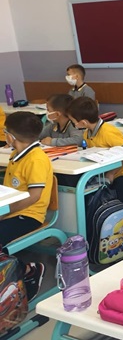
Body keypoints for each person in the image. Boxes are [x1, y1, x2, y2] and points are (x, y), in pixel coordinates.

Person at [67, 97, 123, 240]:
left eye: (73, 121)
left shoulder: (108, 132)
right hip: (105, 174)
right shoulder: (87, 133)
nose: (72, 124)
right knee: (91, 196)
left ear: (83, 122)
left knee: (116, 195)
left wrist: (111, 174)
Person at [0, 112, 53, 301]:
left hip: (29, 215)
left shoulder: (36, 159)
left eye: (5, 131)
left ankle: (30, 270)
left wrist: (5, 212)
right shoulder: (16, 154)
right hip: (11, 211)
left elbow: (34, 196)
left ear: (11, 136)